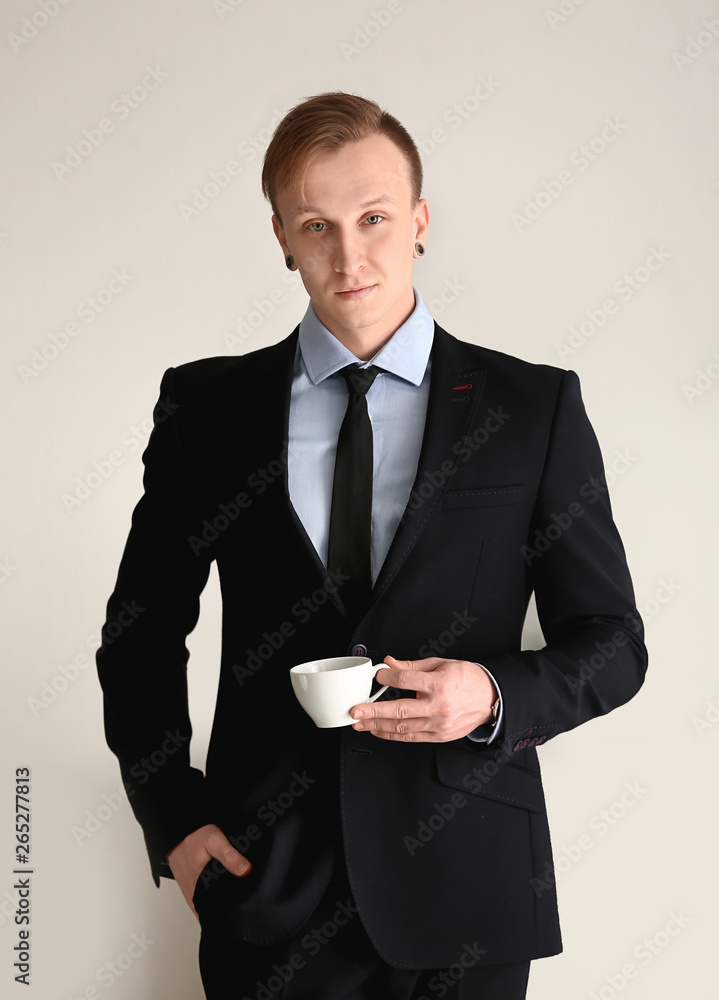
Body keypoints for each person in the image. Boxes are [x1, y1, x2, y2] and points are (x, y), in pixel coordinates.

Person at [96, 92, 648, 999]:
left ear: (420, 220)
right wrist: (173, 820)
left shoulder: (531, 409)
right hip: (264, 887)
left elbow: (614, 643)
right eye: (316, 225)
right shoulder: (207, 410)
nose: (349, 256)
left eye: (374, 218)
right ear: (280, 235)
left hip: (467, 890)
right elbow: (141, 632)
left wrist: (494, 692)